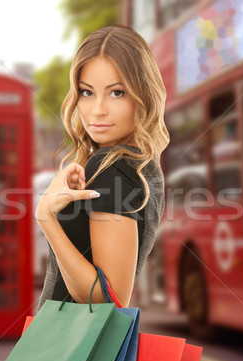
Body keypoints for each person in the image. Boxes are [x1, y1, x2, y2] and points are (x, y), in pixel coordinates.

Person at [34, 25, 169, 311]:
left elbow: (107, 299)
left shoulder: (115, 168)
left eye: (117, 93)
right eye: (87, 92)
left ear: (142, 96)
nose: (97, 110)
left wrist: (46, 216)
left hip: (67, 349)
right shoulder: (142, 165)